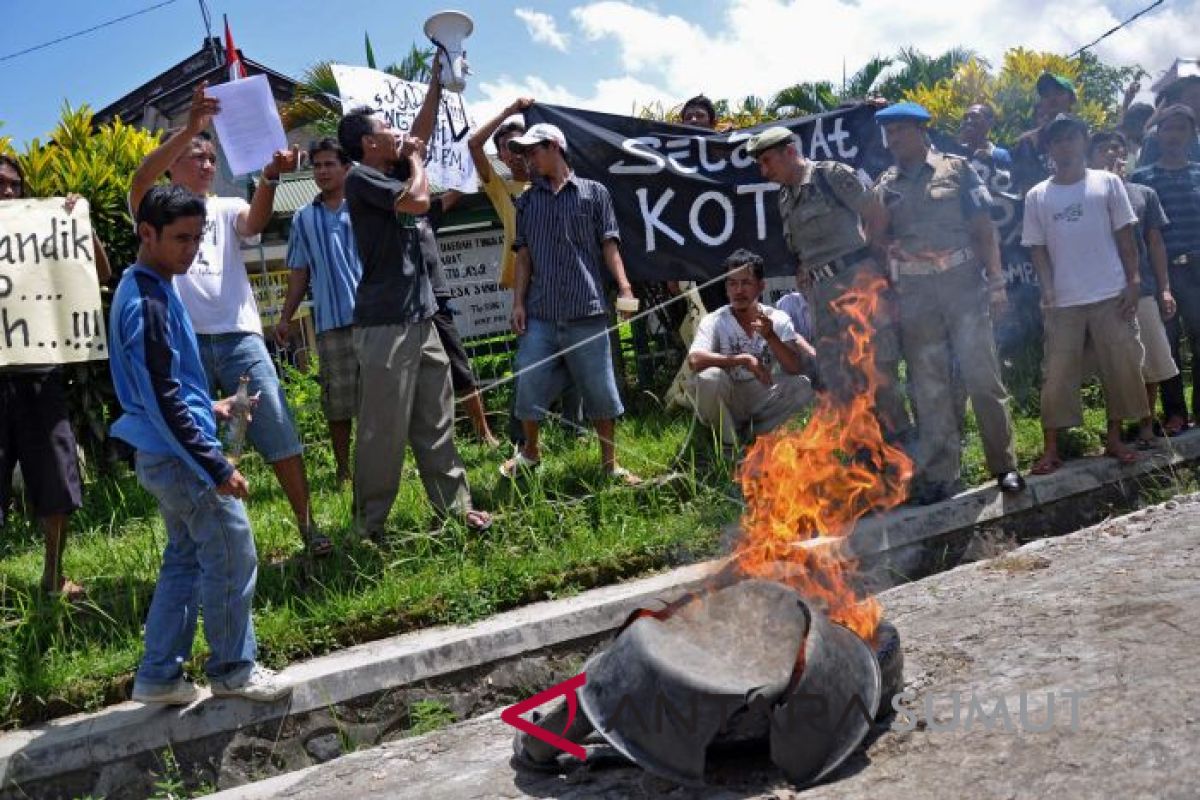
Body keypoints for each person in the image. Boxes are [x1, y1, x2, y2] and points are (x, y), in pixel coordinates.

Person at [128, 83, 328, 557]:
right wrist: (190, 129)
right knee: (191, 442)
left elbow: (255, 224)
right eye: (199, 157)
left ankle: (308, 528)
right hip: (187, 344)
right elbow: (139, 183)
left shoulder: (226, 206)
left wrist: (271, 177)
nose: (208, 165)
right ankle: (201, 545)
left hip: (240, 337)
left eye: (213, 159)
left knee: (277, 427)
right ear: (173, 165)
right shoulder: (158, 211)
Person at [111, 185, 291, 704]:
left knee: (186, 558)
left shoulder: (147, 286)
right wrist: (214, 464)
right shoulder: (148, 301)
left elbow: (161, 389)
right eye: (180, 239)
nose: (191, 250)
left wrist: (208, 407)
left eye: (197, 238)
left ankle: (159, 676)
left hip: (166, 451)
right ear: (147, 234)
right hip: (182, 459)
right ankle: (234, 668)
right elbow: (164, 399)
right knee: (233, 552)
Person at [336, 107, 491, 539]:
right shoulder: (359, 178)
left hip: (422, 318)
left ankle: (456, 507)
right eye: (386, 128)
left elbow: (419, 133)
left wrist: (438, 80)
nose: (395, 133)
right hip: (385, 324)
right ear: (368, 143)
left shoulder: (388, 175)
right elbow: (418, 201)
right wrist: (419, 161)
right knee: (383, 432)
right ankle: (368, 527)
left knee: (436, 421)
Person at [873, 102, 1024, 504]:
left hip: (963, 287)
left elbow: (983, 227)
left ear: (922, 130)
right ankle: (942, 475)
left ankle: (1004, 466)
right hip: (916, 297)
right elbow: (875, 238)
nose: (893, 140)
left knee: (982, 378)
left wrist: (996, 282)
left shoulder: (956, 169)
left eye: (900, 131)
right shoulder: (886, 184)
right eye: (888, 134)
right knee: (929, 388)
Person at [745, 125, 912, 444]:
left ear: (790, 152)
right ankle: (863, 453)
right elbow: (801, 247)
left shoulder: (830, 175)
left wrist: (874, 262)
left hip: (856, 285)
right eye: (760, 164)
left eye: (767, 161)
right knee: (838, 377)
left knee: (875, 370)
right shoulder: (784, 196)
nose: (763, 171)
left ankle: (901, 450)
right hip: (821, 296)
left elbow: (875, 212)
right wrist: (805, 271)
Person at [504, 123, 641, 484]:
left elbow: (610, 245)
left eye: (533, 152)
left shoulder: (595, 194)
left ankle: (610, 465)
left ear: (554, 148)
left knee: (600, 390)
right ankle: (531, 453)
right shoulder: (528, 201)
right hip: (541, 312)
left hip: (588, 308)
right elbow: (523, 256)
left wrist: (625, 287)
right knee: (529, 379)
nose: (528, 160)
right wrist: (518, 302)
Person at [0, 155, 110, 600]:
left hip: (40, 376)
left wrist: (79, 227)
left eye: (14, 185)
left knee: (57, 477)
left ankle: (53, 575)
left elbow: (99, 275)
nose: (7, 192)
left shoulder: (41, 234)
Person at [1022, 115, 1148, 474]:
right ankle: (1051, 449)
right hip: (1063, 300)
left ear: (1083, 141)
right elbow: (1037, 250)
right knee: (1057, 374)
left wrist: (1134, 280)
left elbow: (1126, 237)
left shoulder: (1107, 183)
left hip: (1111, 292)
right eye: (1057, 140)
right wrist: (1047, 287)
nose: (1065, 145)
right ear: (1049, 148)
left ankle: (1115, 438)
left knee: (1120, 367)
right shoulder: (1037, 195)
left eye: (1071, 138)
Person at [408, 60, 498, 447]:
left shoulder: (428, 212)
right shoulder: (376, 208)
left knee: (459, 368)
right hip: (401, 308)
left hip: (437, 300)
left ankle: (484, 433)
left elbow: (462, 186)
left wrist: (465, 162)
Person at [276, 139, 361, 485]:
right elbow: (299, 272)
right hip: (330, 323)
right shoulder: (303, 217)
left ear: (346, 168)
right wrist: (285, 317)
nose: (323, 171)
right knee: (337, 405)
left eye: (329, 164)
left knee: (382, 401)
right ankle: (343, 471)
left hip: (374, 319)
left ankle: (383, 466)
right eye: (317, 165)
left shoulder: (363, 206)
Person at [1089, 130, 1178, 443]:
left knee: (1150, 361)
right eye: (1103, 149)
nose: (1112, 154)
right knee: (1114, 364)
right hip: (1101, 292)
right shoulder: (1084, 194)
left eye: (1117, 148)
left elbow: (1155, 243)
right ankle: (1113, 430)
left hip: (1143, 288)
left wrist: (1165, 287)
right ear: (1091, 157)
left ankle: (1145, 423)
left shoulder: (1144, 193)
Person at [687, 249, 814, 457]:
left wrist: (771, 336)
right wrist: (743, 359)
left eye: (745, 283)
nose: (738, 290)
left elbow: (794, 367)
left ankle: (756, 435)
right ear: (726, 287)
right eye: (732, 283)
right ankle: (729, 444)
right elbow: (694, 360)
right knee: (709, 378)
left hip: (763, 396)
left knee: (803, 386)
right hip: (730, 397)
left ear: (761, 286)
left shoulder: (777, 317)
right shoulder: (715, 320)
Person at [1130, 104, 1200, 433]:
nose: (1173, 135)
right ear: (1157, 134)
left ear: (1191, 134)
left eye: (1180, 129)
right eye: (1167, 128)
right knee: (1167, 345)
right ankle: (1176, 414)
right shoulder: (1142, 179)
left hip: (1198, 269)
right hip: (1163, 273)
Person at [1011, 73, 1078, 194]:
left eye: (1058, 93)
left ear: (1072, 99)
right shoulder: (1028, 141)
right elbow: (1025, 186)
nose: (1052, 98)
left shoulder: (1084, 138)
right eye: (1046, 95)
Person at [1136, 68, 1200, 167]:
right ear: (1176, 102)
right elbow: (1143, 177)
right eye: (1194, 97)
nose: (1198, 102)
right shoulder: (1156, 136)